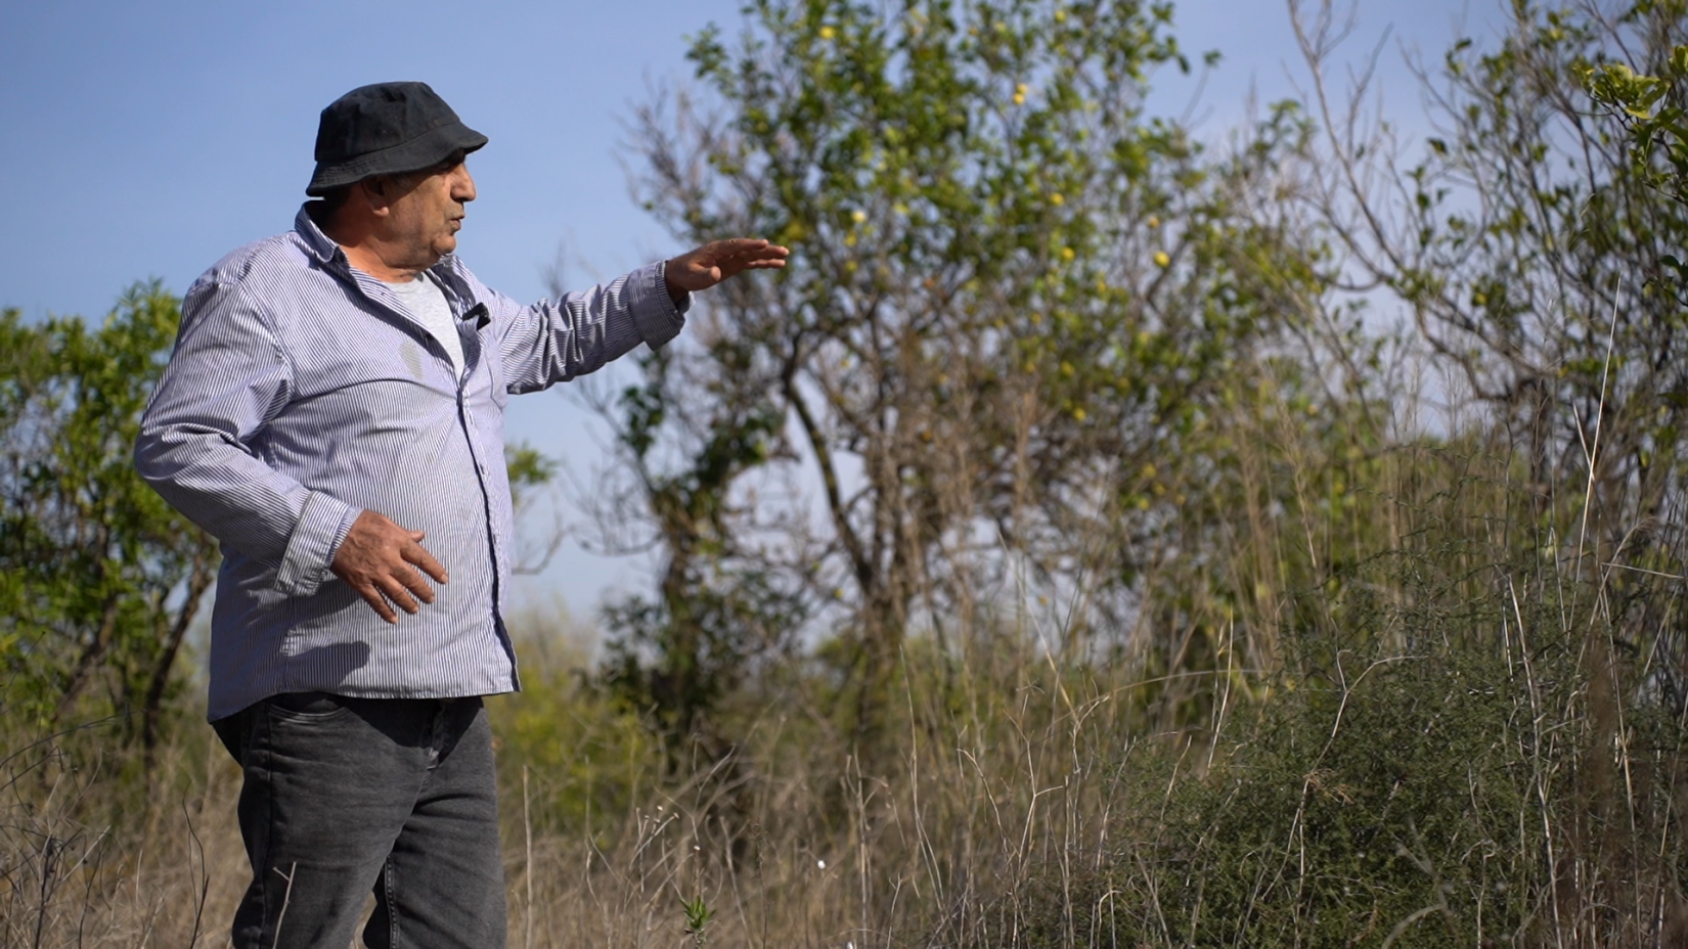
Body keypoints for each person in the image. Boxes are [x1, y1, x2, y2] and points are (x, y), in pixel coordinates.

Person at [134, 80, 788, 949]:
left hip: (453, 694)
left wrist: (667, 281)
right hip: (328, 697)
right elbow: (179, 442)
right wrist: (330, 531)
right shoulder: (263, 289)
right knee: (302, 936)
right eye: (446, 168)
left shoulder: (452, 292)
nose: (467, 188)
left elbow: (550, 336)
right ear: (373, 188)